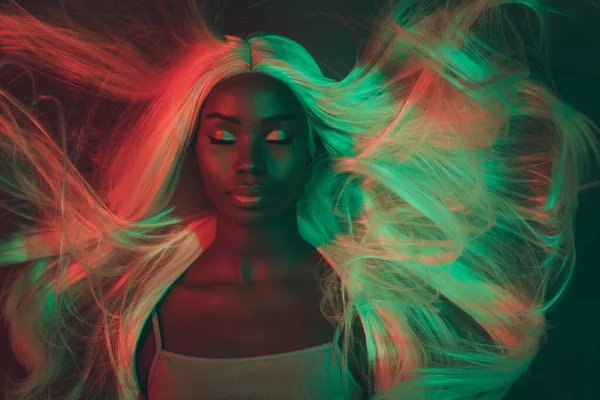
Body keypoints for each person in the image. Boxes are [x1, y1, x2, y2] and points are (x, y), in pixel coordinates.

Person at [0, 0, 599, 399]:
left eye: (279, 138)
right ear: (191, 149)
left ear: (312, 151)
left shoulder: (358, 309)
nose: (249, 163)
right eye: (223, 137)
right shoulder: (143, 318)